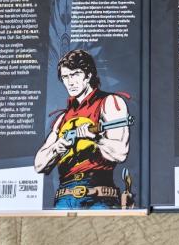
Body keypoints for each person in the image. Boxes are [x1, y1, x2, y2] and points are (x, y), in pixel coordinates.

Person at [34, 50, 131, 209]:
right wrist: (57, 147)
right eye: (65, 77)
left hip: (99, 194)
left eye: (75, 74)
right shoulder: (63, 118)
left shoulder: (109, 102)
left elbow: (121, 153)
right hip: (64, 197)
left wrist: (96, 138)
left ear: (88, 75)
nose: (70, 82)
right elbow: (39, 165)